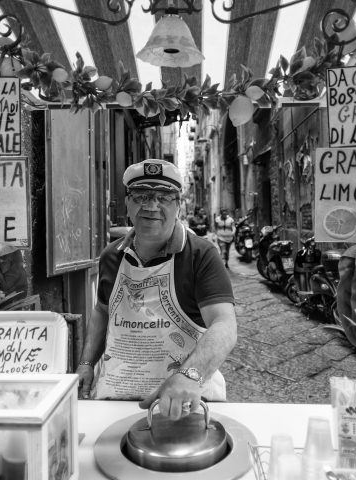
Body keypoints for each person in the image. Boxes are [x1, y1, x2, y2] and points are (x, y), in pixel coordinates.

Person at [77, 159, 237, 420]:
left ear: (178, 205)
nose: (152, 206)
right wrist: (86, 364)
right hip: (117, 395)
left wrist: (190, 375)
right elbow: (102, 312)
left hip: (187, 401)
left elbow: (224, 324)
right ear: (127, 203)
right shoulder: (111, 256)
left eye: (164, 197)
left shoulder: (201, 254)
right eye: (141, 196)